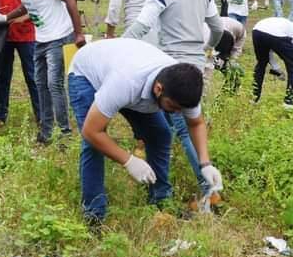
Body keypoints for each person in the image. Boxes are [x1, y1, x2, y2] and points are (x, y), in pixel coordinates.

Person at [67, 38, 223, 224]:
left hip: (127, 69)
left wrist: (205, 164)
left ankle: (160, 200)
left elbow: (196, 124)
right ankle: (94, 215)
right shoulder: (125, 82)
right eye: (172, 106)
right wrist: (128, 160)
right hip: (86, 73)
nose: (177, 113)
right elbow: (91, 132)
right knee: (94, 146)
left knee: (161, 135)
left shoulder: (184, 89)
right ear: (158, 89)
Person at [124, 0, 223, 205]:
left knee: (183, 129)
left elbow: (142, 25)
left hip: (172, 69)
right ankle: (161, 183)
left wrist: (118, 45)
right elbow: (218, 29)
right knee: (174, 127)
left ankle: (210, 190)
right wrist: (206, 48)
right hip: (196, 68)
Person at [0, 0, 87, 144]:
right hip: (41, 38)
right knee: (40, 84)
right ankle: (46, 132)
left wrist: (78, 33)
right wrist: (5, 17)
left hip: (59, 36)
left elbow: (69, 0)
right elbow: (28, 5)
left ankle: (64, 134)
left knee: (54, 85)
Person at [251, 16, 293, 109]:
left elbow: (268, 54)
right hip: (274, 32)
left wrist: (278, 70)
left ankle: (254, 98)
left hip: (257, 30)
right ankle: (288, 103)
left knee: (261, 63)